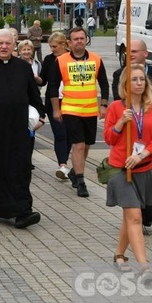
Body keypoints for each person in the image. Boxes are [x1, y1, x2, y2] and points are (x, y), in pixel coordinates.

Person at [0, 29, 46, 229]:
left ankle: (23, 212)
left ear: (14, 45)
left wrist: (41, 117)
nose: (4, 47)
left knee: (20, 170)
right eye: (0, 43)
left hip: (19, 130)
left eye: (8, 43)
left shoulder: (23, 68)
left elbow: (34, 97)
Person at [104, 64, 152, 282]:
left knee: (130, 217)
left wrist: (142, 155)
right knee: (135, 217)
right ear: (126, 84)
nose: (139, 83)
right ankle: (144, 267)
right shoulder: (117, 108)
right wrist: (121, 123)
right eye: (135, 80)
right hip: (120, 169)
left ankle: (120, 255)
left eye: (142, 80)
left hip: (144, 167)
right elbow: (109, 138)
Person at [111, 40, 152, 227]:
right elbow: (118, 98)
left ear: (146, 54)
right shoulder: (119, 74)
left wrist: (148, 104)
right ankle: (136, 215)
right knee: (132, 179)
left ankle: (150, 212)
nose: (131, 54)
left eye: (135, 51)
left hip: (150, 136)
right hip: (129, 139)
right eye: (129, 51)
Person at [47, 26, 109, 198]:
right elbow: (52, 86)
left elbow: (104, 83)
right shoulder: (61, 61)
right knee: (78, 145)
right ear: (69, 42)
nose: (79, 41)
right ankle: (81, 182)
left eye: (82, 38)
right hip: (70, 109)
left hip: (90, 110)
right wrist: (56, 109)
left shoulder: (96, 59)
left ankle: (75, 171)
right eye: (76, 39)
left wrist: (104, 105)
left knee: (87, 145)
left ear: (86, 40)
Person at [38, 32, 71, 180]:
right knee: (60, 134)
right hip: (53, 103)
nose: (52, 49)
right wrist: (33, 76)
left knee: (70, 135)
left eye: (55, 46)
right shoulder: (48, 60)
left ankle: (67, 162)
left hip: (71, 102)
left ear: (64, 44)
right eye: (51, 47)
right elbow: (43, 80)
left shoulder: (72, 59)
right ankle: (62, 165)